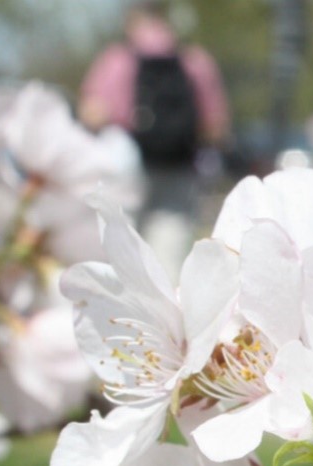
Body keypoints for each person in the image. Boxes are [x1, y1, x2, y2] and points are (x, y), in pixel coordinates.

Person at [79, 1, 230, 275]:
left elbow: (92, 114)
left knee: (119, 250)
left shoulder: (116, 60)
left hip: (126, 168)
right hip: (179, 167)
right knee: (168, 253)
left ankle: (116, 312)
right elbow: (216, 126)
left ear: (132, 21)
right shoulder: (194, 61)